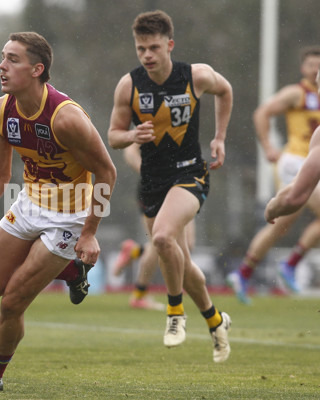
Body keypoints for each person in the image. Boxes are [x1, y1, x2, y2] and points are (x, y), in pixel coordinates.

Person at [0, 32, 116, 392]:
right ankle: (72, 271)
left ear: (37, 69)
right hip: (29, 205)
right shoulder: (0, 111)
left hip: (69, 218)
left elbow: (107, 172)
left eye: (12, 59)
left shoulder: (66, 119)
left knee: (12, 300)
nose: (2, 66)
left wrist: (89, 232)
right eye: (3, 57)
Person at [108, 10, 233, 363]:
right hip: (152, 181)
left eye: (154, 48)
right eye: (141, 49)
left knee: (163, 238)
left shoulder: (196, 75)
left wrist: (220, 138)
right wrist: (132, 135)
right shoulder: (129, 85)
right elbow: (114, 135)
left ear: (169, 45)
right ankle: (215, 320)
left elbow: (225, 91)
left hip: (190, 173)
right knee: (182, 262)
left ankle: (175, 313)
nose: (147, 55)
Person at [227, 46, 320, 304]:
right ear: (303, 68)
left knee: (281, 226)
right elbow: (262, 113)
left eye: (319, 65)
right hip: (295, 161)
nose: (315, 70)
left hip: (314, 163)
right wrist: (268, 146)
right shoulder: (296, 93)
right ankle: (291, 263)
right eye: (311, 65)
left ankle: (243, 273)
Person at [113, 143, 196, 311]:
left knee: (187, 243)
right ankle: (139, 295)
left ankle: (135, 252)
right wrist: (149, 172)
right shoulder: (153, 119)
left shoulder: (185, 120)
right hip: (156, 188)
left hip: (180, 186)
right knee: (159, 241)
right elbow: (130, 151)